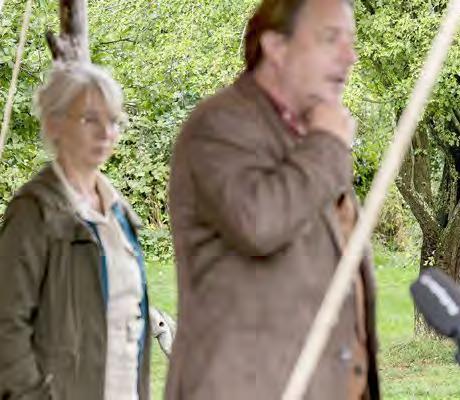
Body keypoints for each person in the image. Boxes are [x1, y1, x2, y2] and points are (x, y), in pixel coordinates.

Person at [165, 0, 380, 398]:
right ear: (277, 47)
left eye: (350, 41)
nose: (349, 56)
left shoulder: (309, 133)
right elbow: (258, 223)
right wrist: (327, 143)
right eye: (330, 38)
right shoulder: (219, 125)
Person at [0, 63, 151, 400]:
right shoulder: (33, 211)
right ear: (54, 123)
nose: (106, 132)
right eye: (90, 119)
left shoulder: (118, 212)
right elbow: (6, 325)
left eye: (114, 121)